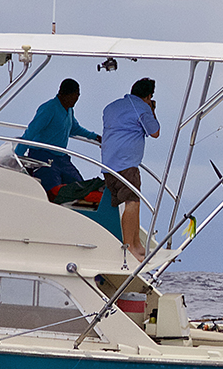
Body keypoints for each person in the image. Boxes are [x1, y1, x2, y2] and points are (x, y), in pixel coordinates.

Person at [101, 77, 160, 261]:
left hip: (108, 164)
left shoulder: (111, 106)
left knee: (134, 200)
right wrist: (151, 109)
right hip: (126, 164)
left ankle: (137, 244)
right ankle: (129, 247)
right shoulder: (142, 108)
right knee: (132, 203)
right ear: (148, 96)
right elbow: (155, 132)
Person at [17, 79, 101, 193]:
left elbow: (74, 128)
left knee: (80, 188)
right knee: (53, 191)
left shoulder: (69, 110)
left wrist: (95, 137)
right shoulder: (49, 108)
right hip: (43, 156)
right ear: (64, 94)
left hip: (61, 158)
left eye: (78, 95)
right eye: (75, 95)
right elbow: (31, 132)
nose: (76, 98)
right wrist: (17, 156)